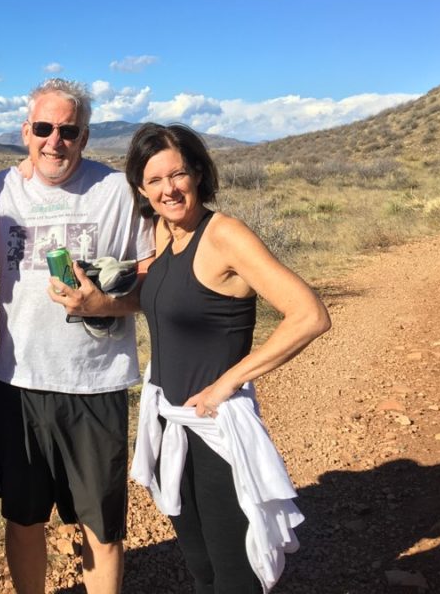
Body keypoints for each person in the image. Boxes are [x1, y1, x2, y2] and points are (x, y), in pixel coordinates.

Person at [0, 79, 155, 594]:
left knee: (102, 526)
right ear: (26, 132)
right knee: (24, 520)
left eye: (68, 131)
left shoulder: (115, 191)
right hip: (17, 384)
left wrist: (105, 305)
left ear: (85, 136)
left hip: (94, 384)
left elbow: (156, 283)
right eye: (43, 129)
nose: (55, 141)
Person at [126, 123, 330, 593]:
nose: (168, 189)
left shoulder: (226, 236)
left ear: (197, 172)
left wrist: (226, 384)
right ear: (141, 188)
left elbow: (309, 315)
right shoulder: (163, 231)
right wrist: (98, 302)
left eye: (177, 175)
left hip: (217, 434)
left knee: (235, 576)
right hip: (172, 424)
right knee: (201, 568)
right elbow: (170, 301)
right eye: (154, 180)